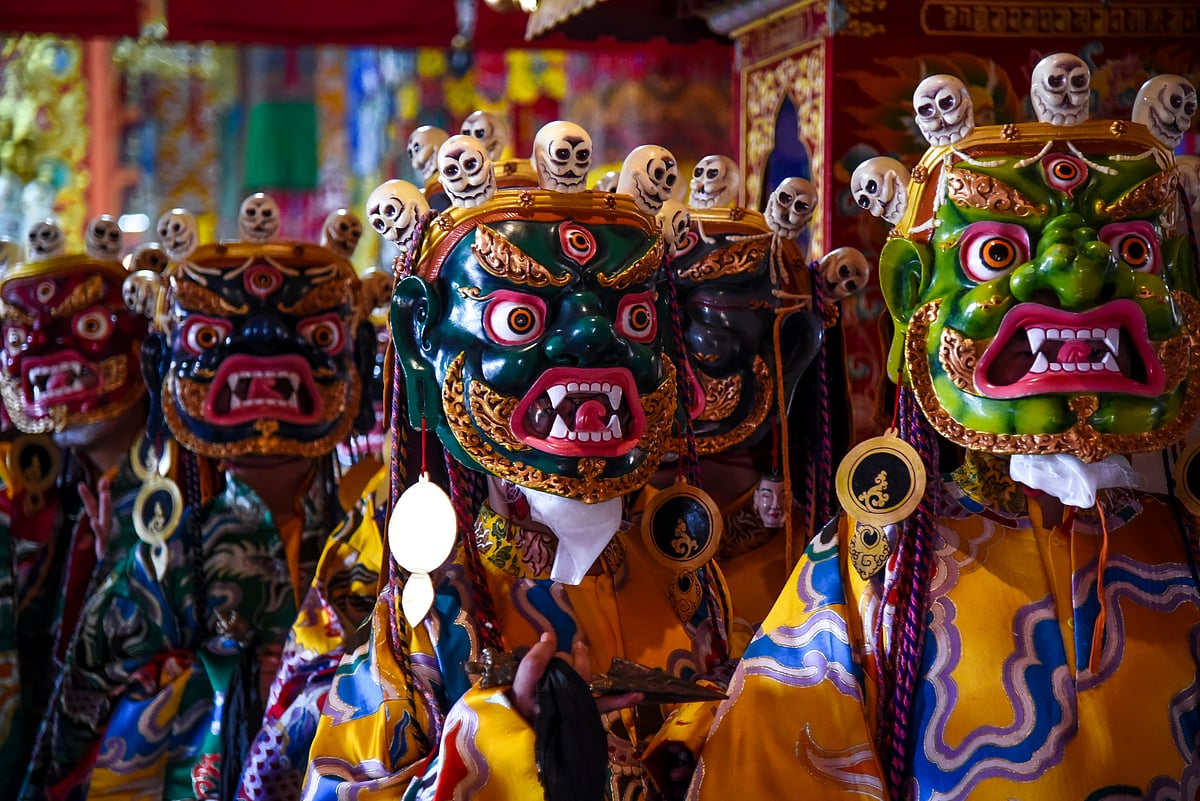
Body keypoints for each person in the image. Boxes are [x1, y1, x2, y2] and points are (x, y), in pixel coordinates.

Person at [692, 72, 1200, 799]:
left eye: (1134, 252)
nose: (1079, 283)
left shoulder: (1183, 548)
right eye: (996, 254)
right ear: (912, 299)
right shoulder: (873, 569)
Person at [305, 135, 736, 800]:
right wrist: (501, 744)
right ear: (428, 340)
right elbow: (333, 777)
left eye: (635, 316)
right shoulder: (425, 583)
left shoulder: (678, 551)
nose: (593, 340)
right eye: (519, 317)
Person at [24, 196, 376, 800]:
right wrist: (221, 679)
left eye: (314, 333)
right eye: (213, 336)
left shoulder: (378, 519)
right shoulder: (168, 540)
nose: (265, 353)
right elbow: (79, 716)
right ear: (165, 363)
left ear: (359, 356)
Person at [0, 218, 150, 795]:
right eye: (23, 340)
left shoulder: (185, 499)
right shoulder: (40, 499)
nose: (46, 354)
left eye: (85, 326)